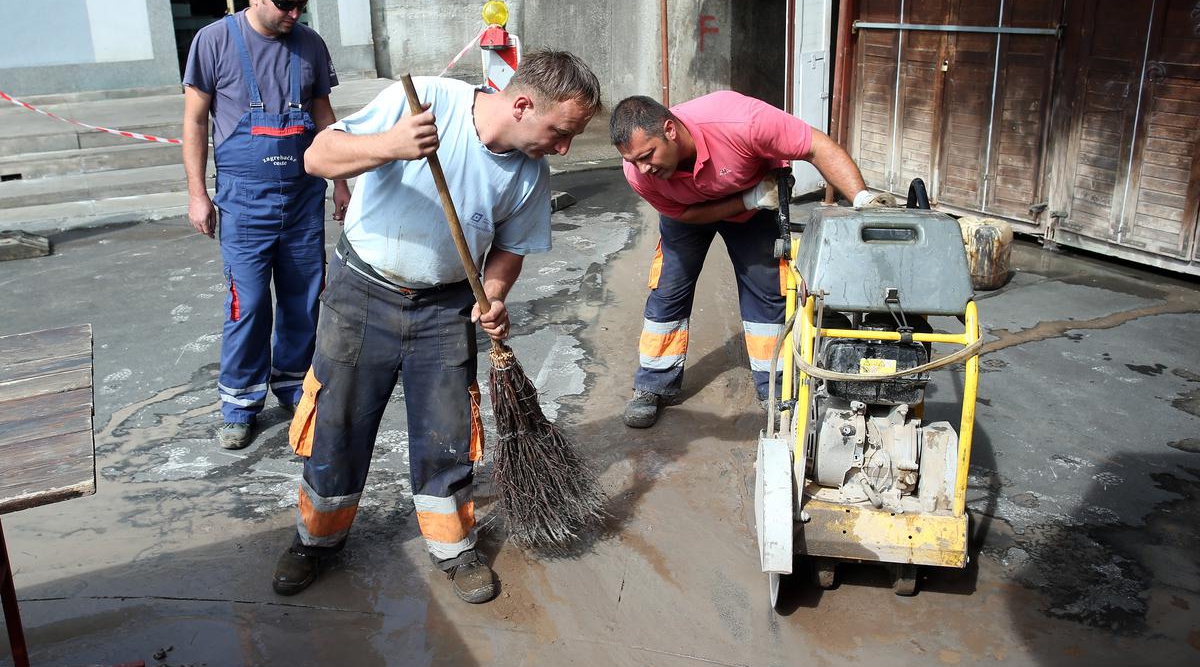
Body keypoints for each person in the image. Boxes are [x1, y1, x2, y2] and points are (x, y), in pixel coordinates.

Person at [271, 51, 601, 603]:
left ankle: (453, 546)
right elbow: (318, 157)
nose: (564, 148)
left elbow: (510, 250)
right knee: (338, 421)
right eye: (560, 132)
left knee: (447, 434)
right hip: (362, 291)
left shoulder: (529, 175)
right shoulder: (426, 102)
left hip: (445, 308)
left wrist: (492, 295)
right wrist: (392, 146)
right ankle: (316, 541)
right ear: (522, 105)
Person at [609, 92, 878, 429]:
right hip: (698, 212)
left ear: (669, 130)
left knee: (768, 292)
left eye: (647, 155)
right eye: (634, 160)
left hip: (755, 208)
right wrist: (744, 201)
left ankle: (776, 388)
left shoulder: (741, 122)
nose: (642, 168)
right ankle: (652, 384)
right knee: (668, 289)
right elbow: (688, 215)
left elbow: (817, 146)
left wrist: (863, 200)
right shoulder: (638, 172)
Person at [182, 0, 350, 450]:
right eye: (285, 4)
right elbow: (194, 121)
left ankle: (294, 385)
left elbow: (323, 111)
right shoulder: (213, 41)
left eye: (301, 5)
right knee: (249, 304)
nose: (294, 14)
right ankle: (239, 403)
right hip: (243, 201)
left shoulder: (309, 45)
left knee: (302, 299)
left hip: (301, 199)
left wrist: (341, 180)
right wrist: (197, 193)